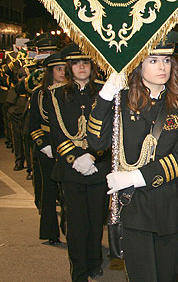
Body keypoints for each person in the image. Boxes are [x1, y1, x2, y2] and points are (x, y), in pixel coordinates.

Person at [87, 42, 178, 282]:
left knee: (168, 276)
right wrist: (105, 95)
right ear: (138, 65)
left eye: (166, 61)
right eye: (153, 60)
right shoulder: (121, 101)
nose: (162, 67)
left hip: (167, 202)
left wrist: (135, 177)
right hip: (133, 205)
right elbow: (96, 142)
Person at [43, 44, 109, 281]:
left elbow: (111, 130)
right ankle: (78, 269)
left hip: (98, 166)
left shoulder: (104, 92)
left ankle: (94, 261)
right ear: (69, 67)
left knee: (95, 219)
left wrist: (93, 155)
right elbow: (56, 132)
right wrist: (74, 158)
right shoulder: (54, 94)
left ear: (93, 66)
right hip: (70, 169)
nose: (82, 66)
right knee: (76, 222)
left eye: (86, 62)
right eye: (76, 63)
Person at [28, 52, 67, 246]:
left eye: (64, 68)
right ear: (50, 72)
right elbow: (33, 124)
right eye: (58, 69)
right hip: (48, 147)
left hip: (68, 148)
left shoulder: (72, 91)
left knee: (69, 191)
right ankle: (51, 231)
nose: (62, 72)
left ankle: (69, 225)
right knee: (48, 192)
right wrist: (44, 146)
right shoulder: (39, 94)